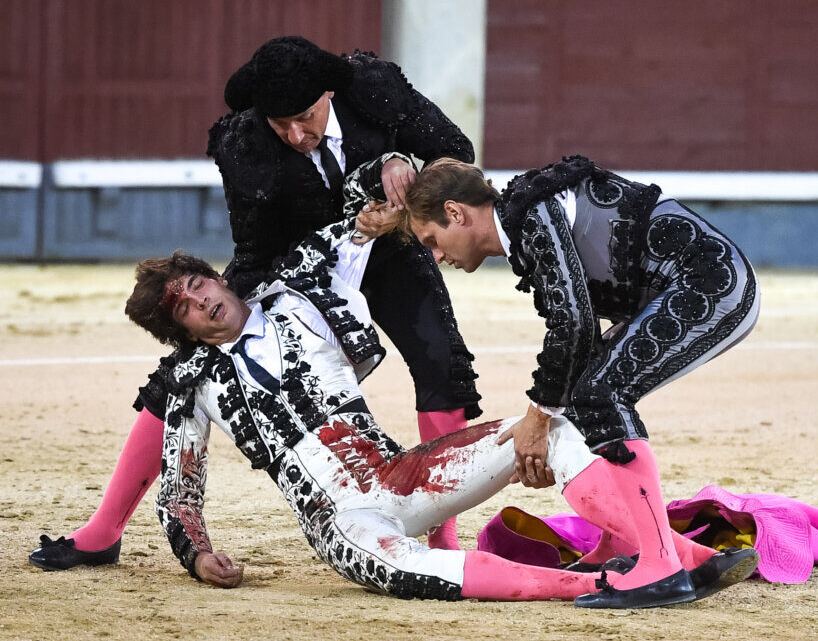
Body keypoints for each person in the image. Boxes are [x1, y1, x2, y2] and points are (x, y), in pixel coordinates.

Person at [123, 219, 759, 608]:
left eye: (198, 284)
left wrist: (391, 182)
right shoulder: (189, 385)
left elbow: (359, 224)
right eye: (183, 307)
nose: (201, 301)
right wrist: (197, 554)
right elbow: (181, 487)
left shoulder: (299, 294)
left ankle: (671, 558)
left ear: (215, 278)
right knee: (410, 570)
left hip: (404, 473)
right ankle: (597, 586)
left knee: (551, 430)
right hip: (339, 523)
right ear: (179, 330)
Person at [29, 36, 480, 572]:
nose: (296, 134)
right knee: (183, 372)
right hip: (290, 259)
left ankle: (443, 538)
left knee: (440, 366)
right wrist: (327, 245)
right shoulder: (242, 143)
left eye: (306, 117)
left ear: (329, 92)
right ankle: (103, 530)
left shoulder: (373, 90)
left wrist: (404, 162)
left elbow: (456, 152)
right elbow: (256, 246)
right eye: (279, 122)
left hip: (392, 251)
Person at [343, 152, 762, 596]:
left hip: (708, 284)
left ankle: (661, 568)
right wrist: (546, 420)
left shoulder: (530, 214)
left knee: (601, 396)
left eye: (432, 239)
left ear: (455, 213)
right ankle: (619, 543)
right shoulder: (526, 216)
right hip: (686, 287)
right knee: (586, 397)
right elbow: (576, 335)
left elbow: (575, 323)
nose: (437, 254)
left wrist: (537, 420)